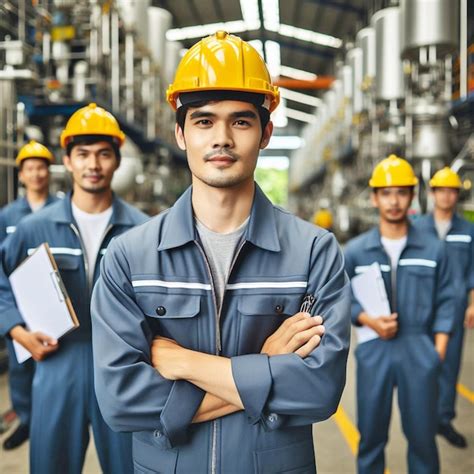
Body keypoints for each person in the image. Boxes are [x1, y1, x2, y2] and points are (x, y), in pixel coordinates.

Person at [91, 31, 351, 473]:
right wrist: (266, 365)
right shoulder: (128, 257)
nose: (223, 138)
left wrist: (184, 362)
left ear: (266, 133)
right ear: (180, 133)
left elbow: (318, 390)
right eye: (204, 121)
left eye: (241, 121)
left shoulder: (313, 252)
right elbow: (121, 401)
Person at [0, 103, 148, 473]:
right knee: (51, 464)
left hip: (122, 366)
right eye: (82, 155)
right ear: (67, 161)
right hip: (57, 361)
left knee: (129, 465)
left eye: (103, 154)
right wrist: (18, 332)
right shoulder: (35, 229)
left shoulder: (143, 232)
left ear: (116, 161)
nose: (93, 165)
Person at [344, 155, 456, 474]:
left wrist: (438, 350)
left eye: (401, 192)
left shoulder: (434, 249)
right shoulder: (355, 251)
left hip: (419, 349)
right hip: (373, 349)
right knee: (371, 437)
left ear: (411, 197)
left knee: (422, 438)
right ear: (374, 197)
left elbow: (448, 299)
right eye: (386, 193)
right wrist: (366, 319)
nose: (394, 201)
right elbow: (339, 297)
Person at [0, 140, 58, 450]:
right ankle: (26, 420)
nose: (36, 174)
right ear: (21, 175)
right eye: (30, 168)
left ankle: (53, 422)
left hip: (54, 301)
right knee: (21, 367)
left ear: (48, 173)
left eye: (41, 168)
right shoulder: (8, 215)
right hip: (20, 302)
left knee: (54, 363)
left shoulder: (61, 209)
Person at [414, 167, 474, 448]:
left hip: (454, 307)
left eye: (452, 191)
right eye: (442, 190)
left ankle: (444, 419)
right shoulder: (417, 228)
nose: (447, 195)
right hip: (421, 307)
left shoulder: (468, 230)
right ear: (433, 193)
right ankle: (422, 415)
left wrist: (472, 304)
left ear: (457, 195)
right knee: (421, 363)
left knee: (449, 365)